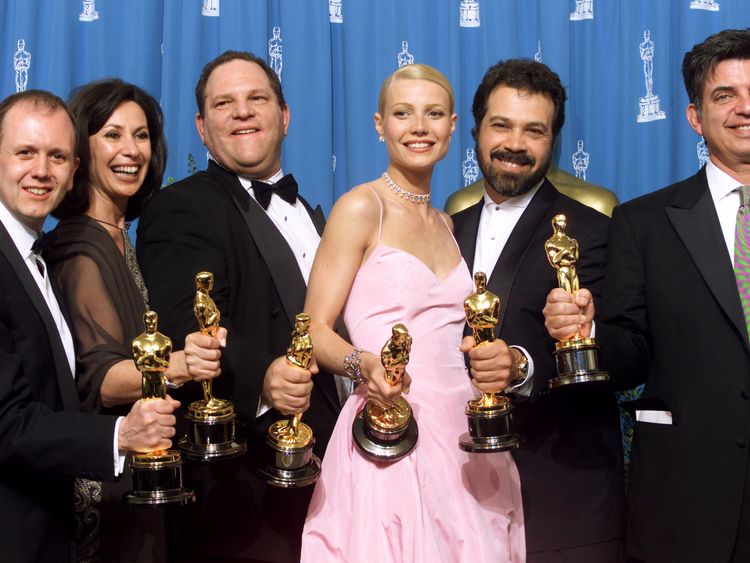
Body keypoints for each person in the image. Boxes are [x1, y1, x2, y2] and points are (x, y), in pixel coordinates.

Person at [301, 63, 524, 562]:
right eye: (403, 113)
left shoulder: (447, 222)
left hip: (465, 428)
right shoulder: (361, 207)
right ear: (380, 125)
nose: (419, 127)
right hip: (391, 421)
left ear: (451, 129)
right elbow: (311, 330)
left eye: (434, 113)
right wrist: (367, 366)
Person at [544, 28, 750, 562]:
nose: (743, 108)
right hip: (690, 500)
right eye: (724, 95)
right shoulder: (643, 222)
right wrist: (589, 333)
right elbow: (631, 355)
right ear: (694, 117)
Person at [136, 51, 341, 562]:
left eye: (257, 99)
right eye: (224, 103)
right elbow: (190, 321)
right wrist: (263, 376)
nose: (242, 112)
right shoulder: (181, 205)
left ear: (285, 115)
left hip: (334, 462)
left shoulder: (314, 212)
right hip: (244, 488)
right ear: (202, 129)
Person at [40, 79, 223, 562]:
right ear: (81, 150)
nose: (131, 150)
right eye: (112, 135)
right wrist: (182, 364)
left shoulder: (121, 239)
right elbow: (100, 379)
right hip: (104, 493)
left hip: (140, 480)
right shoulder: (80, 249)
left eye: (141, 136)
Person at [451, 59, 624, 562]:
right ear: (476, 128)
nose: (515, 145)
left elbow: (617, 349)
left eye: (535, 131)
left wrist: (521, 365)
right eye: (501, 125)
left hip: (560, 494)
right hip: (452, 493)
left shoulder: (593, 231)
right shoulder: (444, 230)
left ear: (554, 140)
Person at [0, 89, 179, 562]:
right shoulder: (65, 251)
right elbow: (8, 422)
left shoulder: (32, 256)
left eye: (57, 156)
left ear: (72, 168)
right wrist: (119, 435)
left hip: (51, 524)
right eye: (25, 153)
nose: (42, 171)